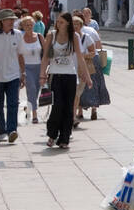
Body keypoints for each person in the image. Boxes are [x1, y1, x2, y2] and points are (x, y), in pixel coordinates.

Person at [39, 11, 92, 150]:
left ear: (67, 23)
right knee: (57, 106)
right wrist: (42, 75)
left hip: (70, 74)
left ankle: (65, 138)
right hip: (55, 74)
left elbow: (80, 57)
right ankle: (52, 133)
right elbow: (45, 57)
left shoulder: (74, 36)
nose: (58, 24)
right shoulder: (52, 35)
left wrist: (87, 76)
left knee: (69, 108)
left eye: (61, 22)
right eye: (58, 21)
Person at [0, 9, 26, 143]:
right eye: (9, 19)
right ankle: (2, 131)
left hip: (13, 75)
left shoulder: (18, 35)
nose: (12, 22)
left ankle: (12, 130)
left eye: (13, 19)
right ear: (2, 22)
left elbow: (20, 55)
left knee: (13, 103)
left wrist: (23, 73)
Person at [75, 14, 110, 122]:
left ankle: (81, 111)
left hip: (85, 63)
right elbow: (99, 47)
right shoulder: (91, 30)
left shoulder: (80, 35)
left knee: (83, 86)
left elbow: (93, 50)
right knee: (91, 86)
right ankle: (92, 110)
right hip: (92, 62)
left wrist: (81, 56)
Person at [18, 16, 43, 125]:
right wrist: (22, 72)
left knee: (36, 91)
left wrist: (45, 69)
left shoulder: (39, 36)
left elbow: (47, 52)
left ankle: (29, 106)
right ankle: (34, 114)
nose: (29, 27)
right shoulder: (20, 39)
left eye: (30, 24)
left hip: (39, 67)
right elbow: (19, 56)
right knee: (31, 89)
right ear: (22, 26)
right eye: (26, 25)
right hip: (27, 68)